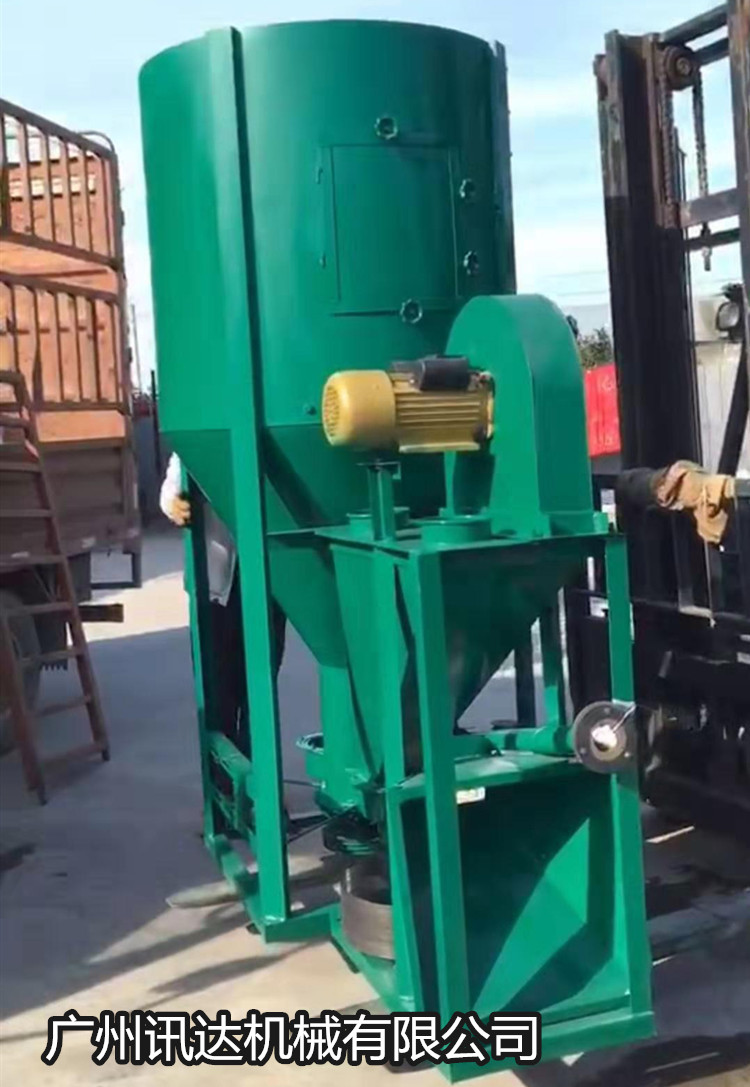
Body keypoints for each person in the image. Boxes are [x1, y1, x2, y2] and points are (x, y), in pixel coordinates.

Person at [160, 453, 285, 754]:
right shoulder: (199, 439)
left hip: (268, 584)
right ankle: (224, 776)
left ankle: (258, 773)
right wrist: (173, 503)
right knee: (217, 692)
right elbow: (174, 481)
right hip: (215, 588)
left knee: (259, 691)